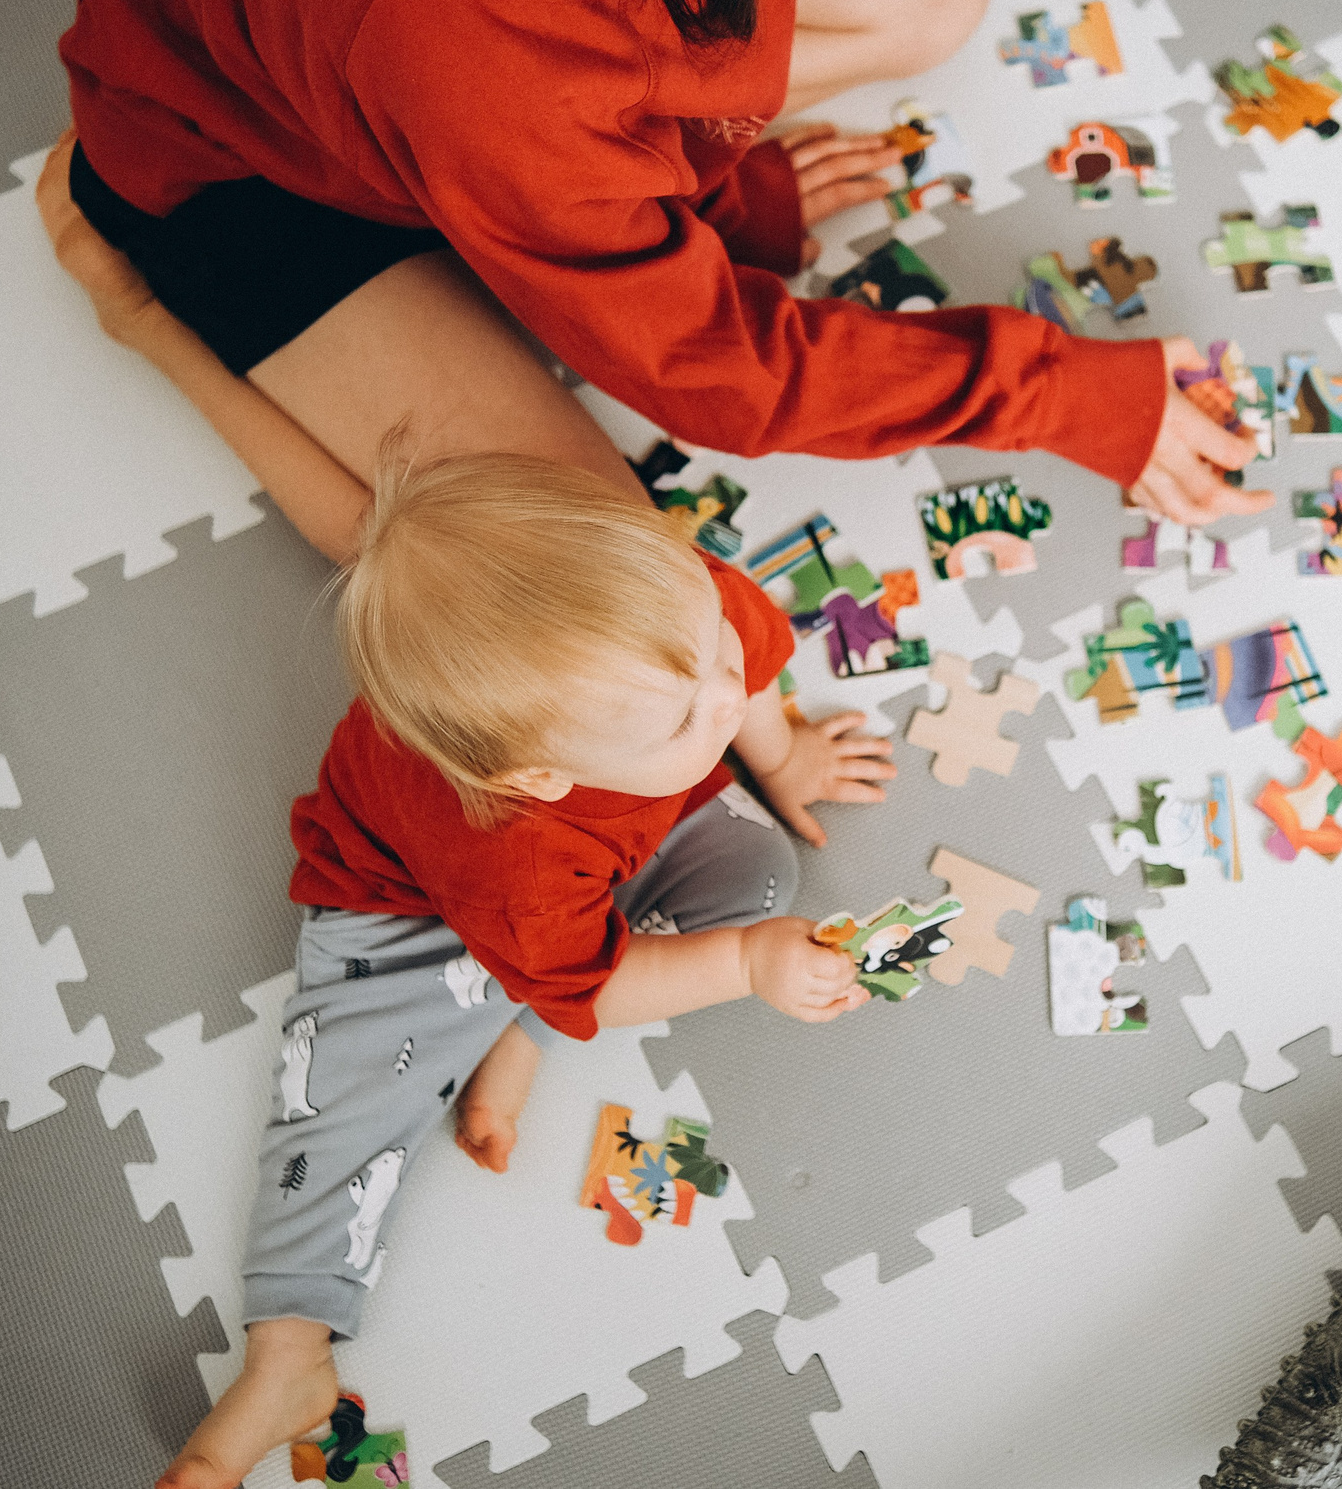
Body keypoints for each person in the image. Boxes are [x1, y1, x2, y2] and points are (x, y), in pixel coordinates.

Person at [56, 0, 1266, 566]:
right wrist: (1053, 392)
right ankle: (138, 307)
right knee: (591, 574)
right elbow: (712, 374)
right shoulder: (488, 56)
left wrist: (708, 179)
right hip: (243, 186)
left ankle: (606, 189)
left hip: (377, 42)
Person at [154, 449, 894, 1489]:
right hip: (404, 907)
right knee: (340, 1105)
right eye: (687, 718)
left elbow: (742, 668)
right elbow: (599, 980)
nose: (727, 696)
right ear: (541, 772)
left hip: (603, 865)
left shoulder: (683, 618)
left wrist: (777, 756)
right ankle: (287, 1359)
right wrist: (741, 964)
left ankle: (519, 1026)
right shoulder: (516, 854)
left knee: (757, 869)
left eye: (715, 649)